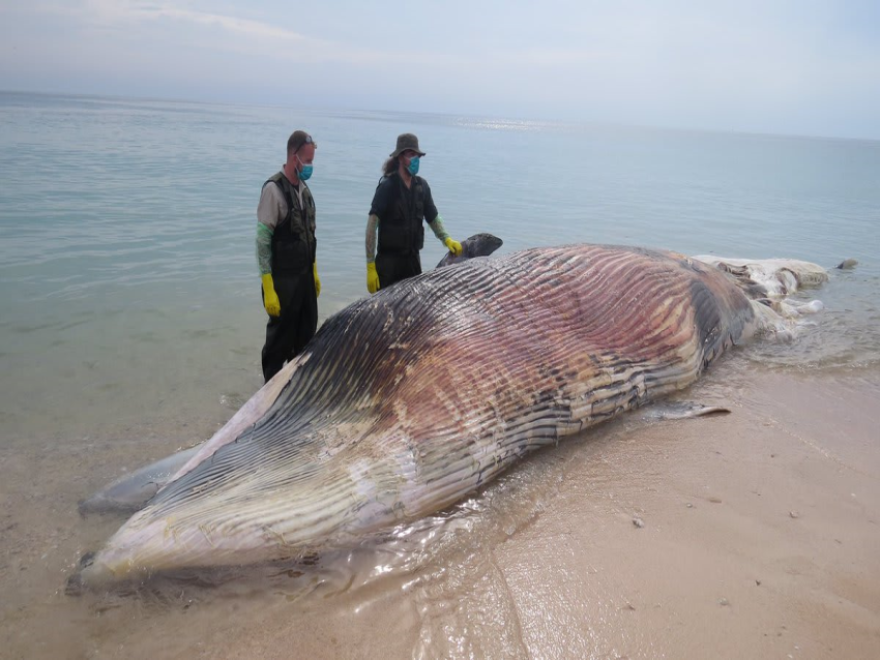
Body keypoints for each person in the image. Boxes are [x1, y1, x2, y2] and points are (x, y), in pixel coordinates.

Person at [256, 130, 320, 382]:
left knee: (306, 335)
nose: (311, 166)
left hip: (304, 279)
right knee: (278, 342)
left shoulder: (305, 193)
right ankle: (268, 396)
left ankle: (295, 390)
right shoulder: (274, 190)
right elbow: (262, 241)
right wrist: (268, 286)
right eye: (308, 160)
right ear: (294, 158)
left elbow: (310, 236)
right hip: (282, 281)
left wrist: (314, 273)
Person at [365, 133, 462, 293]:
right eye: (411, 155)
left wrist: (447, 239)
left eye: (417, 155)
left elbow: (433, 217)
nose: (415, 159)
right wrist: (370, 265)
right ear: (400, 157)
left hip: (412, 262)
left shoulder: (422, 187)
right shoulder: (387, 187)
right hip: (388, 264)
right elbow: (371, 226)